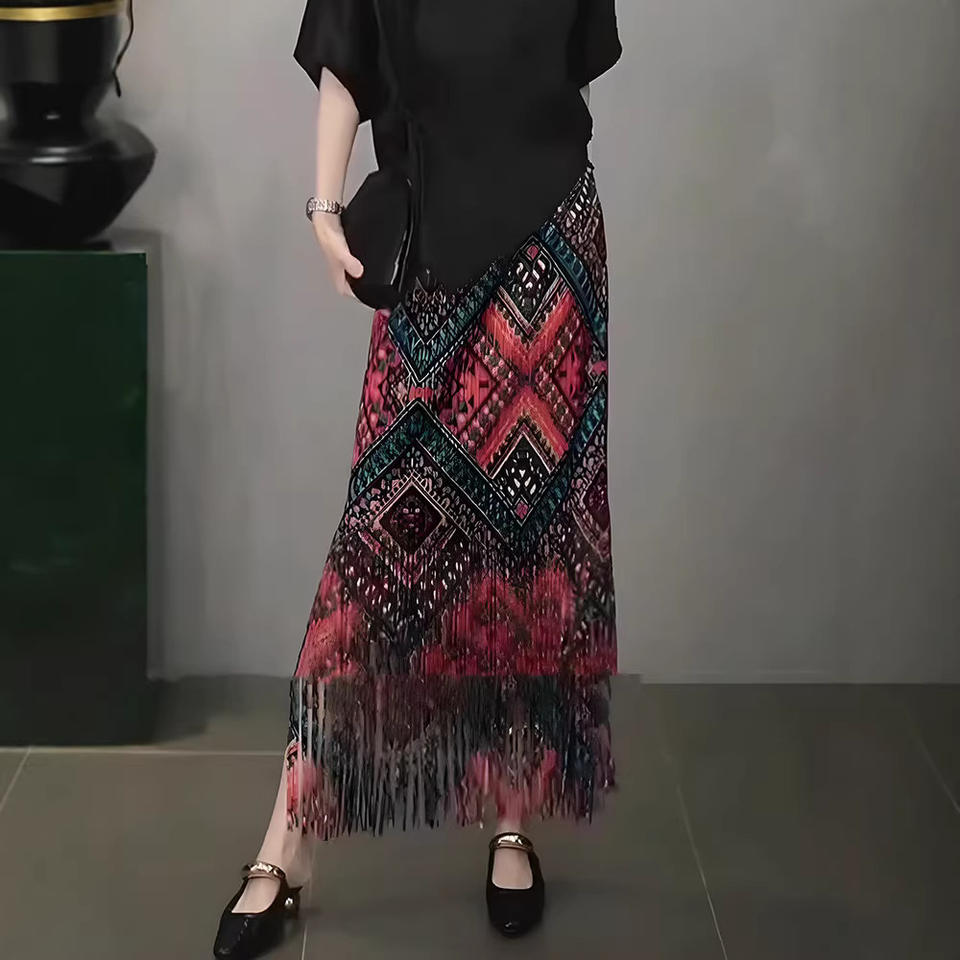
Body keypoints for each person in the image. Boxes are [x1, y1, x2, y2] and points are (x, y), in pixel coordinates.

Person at [214, 2, 621, 956]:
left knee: (531, 544)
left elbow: (566, 73)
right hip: (433, 255)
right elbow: (345, 61)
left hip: (550, 254)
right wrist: (324, 205)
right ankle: (289, 840)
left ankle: (511, 816)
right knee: (381, 544)